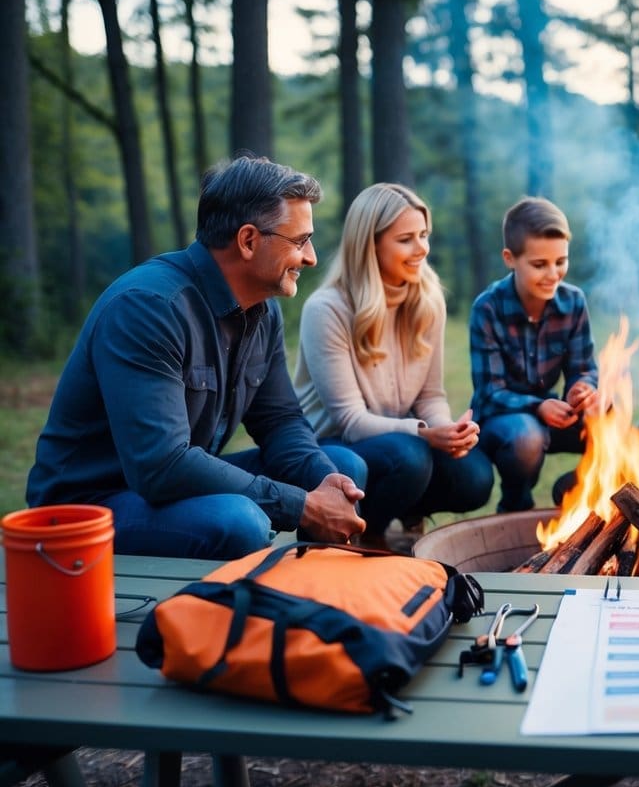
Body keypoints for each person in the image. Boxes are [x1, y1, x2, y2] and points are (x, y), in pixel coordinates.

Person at [26, 155, 368, 559]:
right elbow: (162, 466)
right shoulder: (148, 308)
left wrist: (326, 484)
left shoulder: (263, 309)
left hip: (163, 487)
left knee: (342, 466)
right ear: (248, 240)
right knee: (240, 521)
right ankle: (210, 612)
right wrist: (302, 504)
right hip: (88, 507)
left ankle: (304, 595)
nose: (310, 257)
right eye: (299, 241)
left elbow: (279, 421)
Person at [294, 183, 493, 548]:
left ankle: (399, 507)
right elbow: (350, 422)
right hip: (331, 446)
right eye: (406, 240)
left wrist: (446, 431)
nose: (422, 249)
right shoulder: (326, 310)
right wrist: (421, 434)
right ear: (370, 245)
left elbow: (431, 394)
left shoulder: (427, 299)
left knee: (475, 475)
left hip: (398, 442)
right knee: (410, 456)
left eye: (424, 235)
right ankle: (360, 536)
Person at [469, 197, 598, 512]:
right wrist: (538, 406)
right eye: (540, 264)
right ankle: (516, 505)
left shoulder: (574, 302)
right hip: (502, 421)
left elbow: (585, 369)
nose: (553, 274)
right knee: (526, 435)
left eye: (561, 261)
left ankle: (581, 496)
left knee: (610, 421)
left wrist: (583, 388)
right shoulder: (488, 308)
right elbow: (490, 393)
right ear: (510, 258)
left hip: (553, 412)